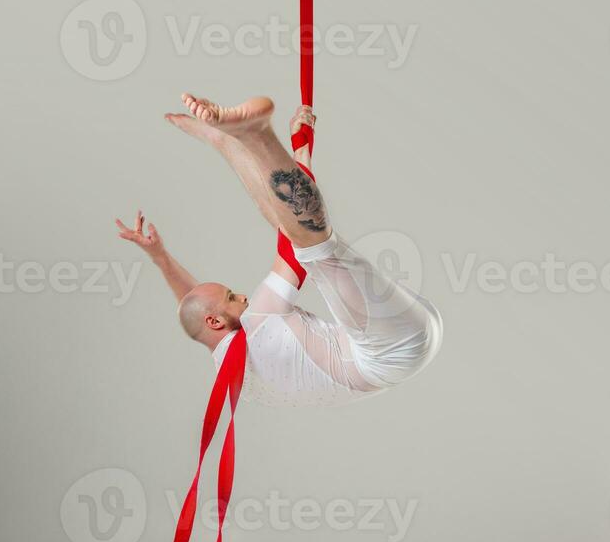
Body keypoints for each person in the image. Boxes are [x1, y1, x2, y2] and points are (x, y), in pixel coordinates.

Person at [116, 93, 442, 408]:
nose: (242, 296)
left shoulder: (230, 367)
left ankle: (233, 140)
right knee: (313, 247)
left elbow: (195, 308)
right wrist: (301, 150)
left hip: (396, 341)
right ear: (217, 320)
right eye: (232, 296)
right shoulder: (259, 324)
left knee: (308, 243)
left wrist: (160, 257)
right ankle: (254, 137)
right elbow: (292, 244)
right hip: (393, 347)